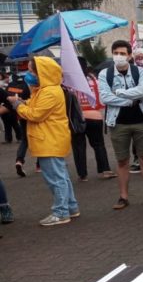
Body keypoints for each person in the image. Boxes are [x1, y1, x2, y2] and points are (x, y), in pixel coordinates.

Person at [99, 40, 143, 210]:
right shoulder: (105, 74)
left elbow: (142, 91)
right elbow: (105, 98)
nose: (118, 56)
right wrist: (129, 101)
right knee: (122, 161)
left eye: (122, 53)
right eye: (115, 52)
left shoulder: (140, 72)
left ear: (129, 56)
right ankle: (123, 196)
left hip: (141, 120)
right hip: (118, 123)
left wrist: (118, 92)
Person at [16, 57, 80, 226]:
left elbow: (35, 114)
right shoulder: (45, 90)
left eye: (31, 71)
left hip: (49, 140)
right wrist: (24, 102)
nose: (29, 74)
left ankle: (60, 212)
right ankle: (71, 208)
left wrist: (17, 106)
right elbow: (34, 105)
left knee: (55, 178)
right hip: (51, 138)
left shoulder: (49, 91)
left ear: (42, 72)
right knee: (62, 176)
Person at [72, 57, 115, 181]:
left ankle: (82, 174)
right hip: (95, 116)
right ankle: (105, 170)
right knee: (99, 145)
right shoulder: (94, 79)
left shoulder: (69, 82)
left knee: (78, 146)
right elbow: (101, 99)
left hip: (77, 118)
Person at [0, 72, 22, 144]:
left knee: (14, 122)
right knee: (6, 123)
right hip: (4, 105)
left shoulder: (11, 85)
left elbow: (17, 93)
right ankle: (8, 139)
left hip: (11, 105)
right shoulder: (4, 85)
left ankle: (20, 138)